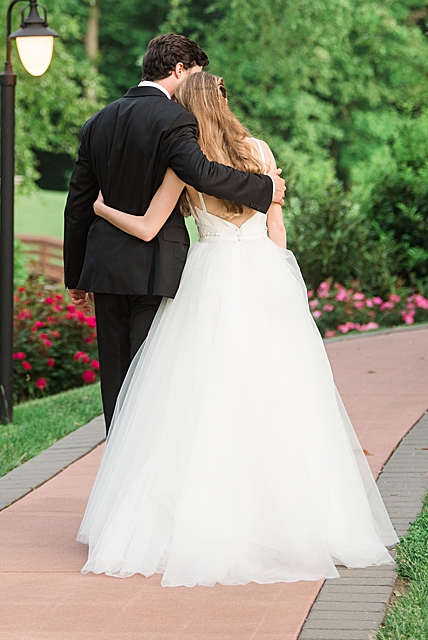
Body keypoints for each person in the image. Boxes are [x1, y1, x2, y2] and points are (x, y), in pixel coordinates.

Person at [76, 70, 397, 586]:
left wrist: (100, 206)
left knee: (201, 397)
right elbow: (275, 227)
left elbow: (147, 227)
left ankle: (200, 519)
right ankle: (302, 520)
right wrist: (278, 278)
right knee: (284, 395)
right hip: (264, 276)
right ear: (225, 102)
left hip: (210, 276)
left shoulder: (184, 165)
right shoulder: (259, 152)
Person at [64, 33, 284, 430]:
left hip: (106, 269)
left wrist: (75, 275)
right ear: (179, 70)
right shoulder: (176, 119)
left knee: (115, 379)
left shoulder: (97, 121)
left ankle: (121, 472)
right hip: (155, 268)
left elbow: (78, 201)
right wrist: (264, 188)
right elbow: (200, 173)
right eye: (196, 74)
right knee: (150, 378)